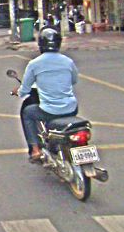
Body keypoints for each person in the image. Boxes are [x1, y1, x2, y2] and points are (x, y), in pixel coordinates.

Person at [18, 28, 79, 163]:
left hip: (49, 111)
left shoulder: (34, 64)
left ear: (41, 44)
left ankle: (35, 150)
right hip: (72, 108)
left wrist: (19, 92)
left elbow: (25, 89)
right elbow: (74, 80)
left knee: (27, 113)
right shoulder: (68, 61)